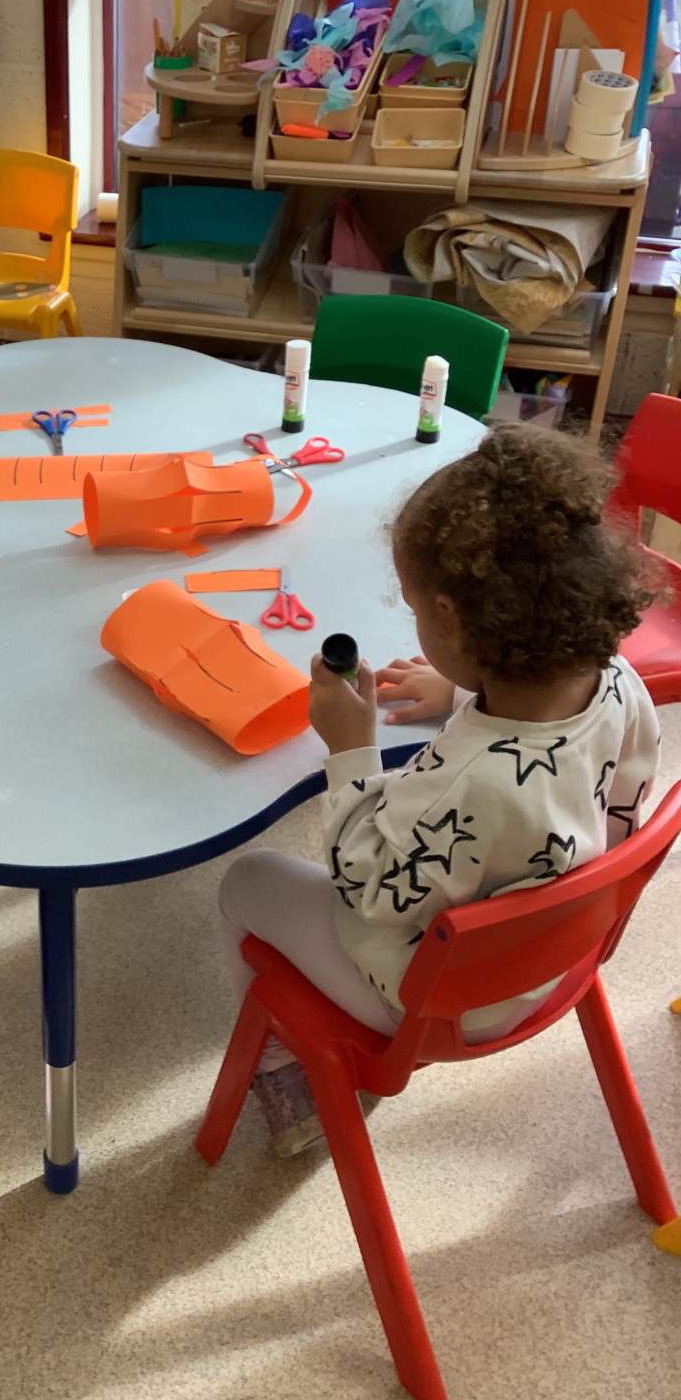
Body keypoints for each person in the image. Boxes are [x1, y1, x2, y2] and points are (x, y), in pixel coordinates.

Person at [219, 425, 659, 1154]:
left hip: (442, 1004)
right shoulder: (619, 680)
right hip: (558, 955)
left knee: (248, 879)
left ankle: (283, 1069)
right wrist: (462, 687)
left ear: (452, 620)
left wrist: (351, 750)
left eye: (416, 608)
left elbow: (365, 884)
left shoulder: (472, 781)